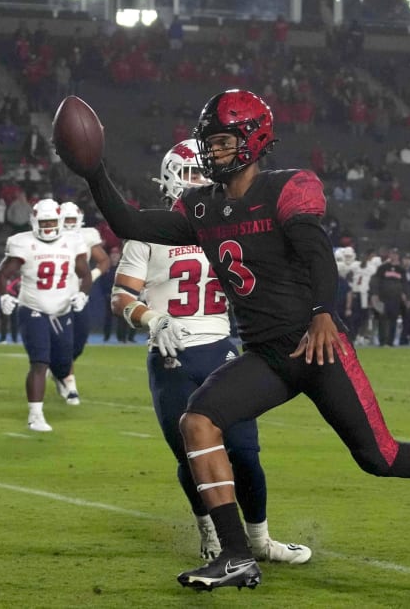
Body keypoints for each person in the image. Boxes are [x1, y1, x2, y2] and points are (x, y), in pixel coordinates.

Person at [61, 89, 410, 591]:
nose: (213, 152)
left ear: (254, 139)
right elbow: (129, 223)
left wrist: (323, 312)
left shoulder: (288, 187)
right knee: (198, 422)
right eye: (211, 143)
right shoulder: (202, 208)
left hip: (318, 348)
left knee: (379, 458)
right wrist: (94, 171)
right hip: (267, 355)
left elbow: (316, 252)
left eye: (224, 142)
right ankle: (236, 555)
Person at [110, 139, 311, 565]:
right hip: (172, 357)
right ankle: (212, 533)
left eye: (203, 172)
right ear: (169, 175)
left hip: (221, 348)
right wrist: (153, 319)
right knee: (190, 456)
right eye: (189, 172)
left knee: (244, 450)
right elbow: (121, 297)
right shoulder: (148, 232)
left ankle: (260, 540)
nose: (198, 180)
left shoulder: (225, 224)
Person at [0, 199, 91, 432]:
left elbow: (84, 274)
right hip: (33, 309)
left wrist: (83, 294)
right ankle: (35, 415)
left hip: (63, 309)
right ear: (34, 222)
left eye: (51, 222)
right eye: (43, 222)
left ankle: (61, 379)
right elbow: (2, 275)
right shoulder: (22, 243)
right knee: (39, 362)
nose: (47, 227)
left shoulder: (73, 241)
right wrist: (4, 295)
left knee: (64, 362)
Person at [56, 201, 110, 403]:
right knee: (65, 339)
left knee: (79, 340)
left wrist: (91, 277)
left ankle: (59, 368)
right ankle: (69, 383)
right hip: (57, 292)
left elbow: (104, 260)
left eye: (72, 219)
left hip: (80, 293)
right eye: (66, 219)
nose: (69, 224)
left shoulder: (87, 235)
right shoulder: (50, 235)